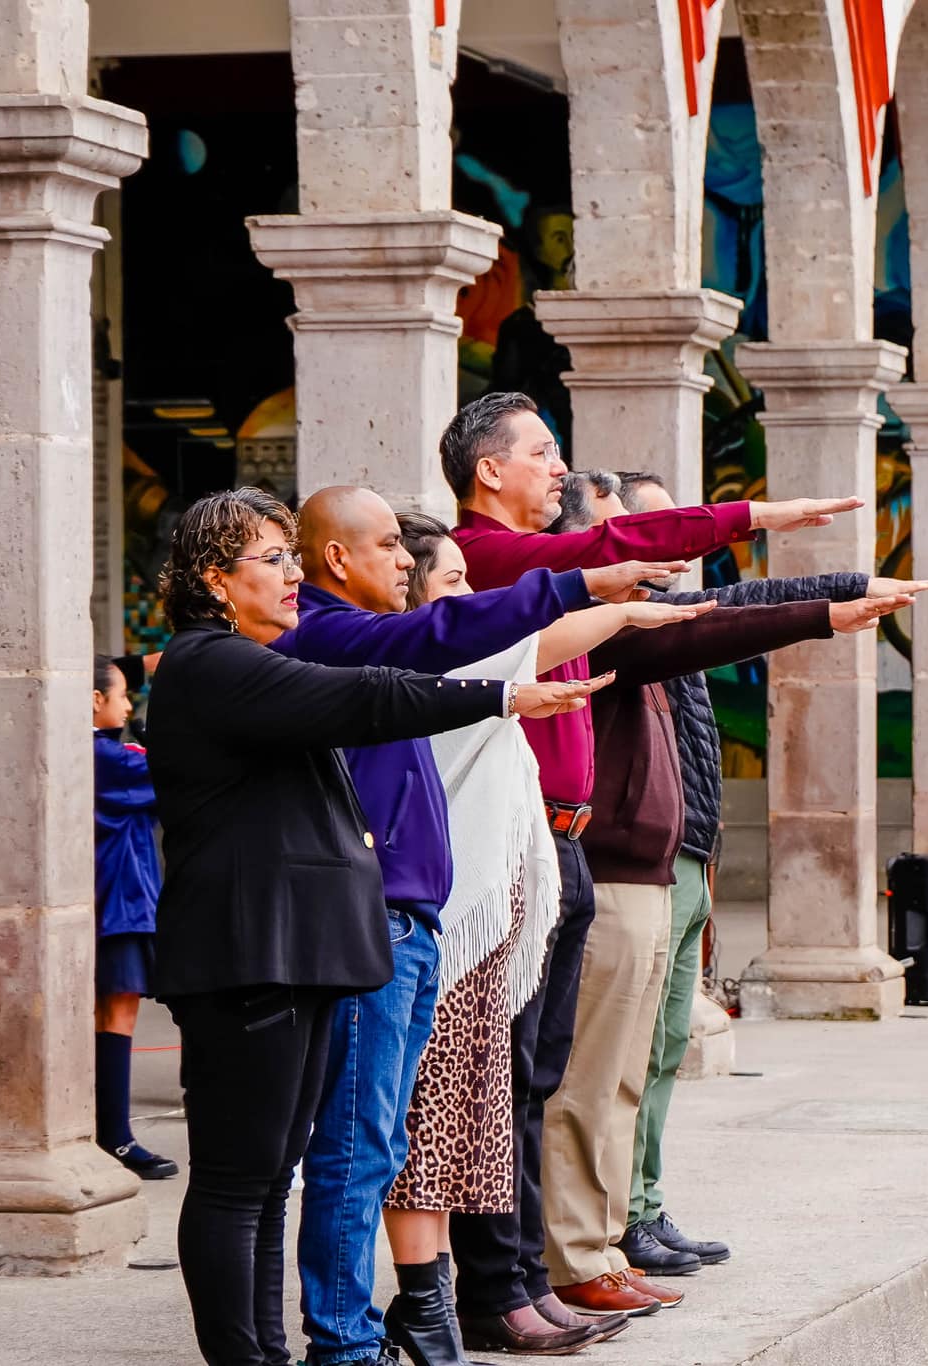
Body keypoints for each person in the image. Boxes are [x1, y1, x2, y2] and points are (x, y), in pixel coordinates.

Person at [142, 488, 603, 1366]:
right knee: (241, 1182)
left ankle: (269, 1354)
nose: (291, 577)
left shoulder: (250, 663)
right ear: (213, 579)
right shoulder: (211, 663)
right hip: (248, 955)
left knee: (276, 1177)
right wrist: (501, 695)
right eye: (271, 560)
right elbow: (375, 700)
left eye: (289, 555)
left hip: (293, 953)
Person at [440, 391, 862, 1344]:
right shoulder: (500, 560)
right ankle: (541, 1272)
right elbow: (681, 607)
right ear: (488, 471)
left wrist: (820, 601)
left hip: (589, 849)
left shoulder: (557, 571)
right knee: (539, 1082)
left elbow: (693, 611)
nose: (556, 467)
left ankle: (559, 1263)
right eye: (542, 453)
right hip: (548, 848)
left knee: (571, 1073)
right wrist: (766, 522)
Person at [269, 484, 693, 1366]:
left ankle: (441, 1306)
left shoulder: (378, 646)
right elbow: (468, 647)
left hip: (435, 920)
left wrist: (613, 615)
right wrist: (589, 586)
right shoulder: (339, 636)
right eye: (400, 553)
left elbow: (494, 657)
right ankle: (365, 1333)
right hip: (397, 922)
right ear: (341, 557)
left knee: (424, 1128)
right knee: (366, 1143)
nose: (437, 584)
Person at [538, 477, 924, 1310]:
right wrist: (830, 602)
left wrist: (843, 592)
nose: (654, 556)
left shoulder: (642, 613)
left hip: (667, 860)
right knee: (589, 1080)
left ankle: (610, 1240)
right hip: (608, 867)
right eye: (630, 538)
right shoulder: (604, 623)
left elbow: (731, 606)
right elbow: (728, 616)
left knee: (636, 1068)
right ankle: (582, 1253)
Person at [387, 514, 714, 1358]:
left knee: (522, 1088)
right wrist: (620, 601)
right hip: (459, 906)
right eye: (450, 580)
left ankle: (518, 1281)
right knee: (443, 1117)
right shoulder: (438, 650)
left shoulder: (471, 650)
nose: (469, 592)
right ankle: (467, 1295)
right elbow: (543, 621)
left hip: (530, 876)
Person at [90, 655, 177, 1181]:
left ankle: (109, 1131)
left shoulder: (108, 755)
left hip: (119, 901)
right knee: (116, 1016)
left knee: (109, 1016)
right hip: (119, 904)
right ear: (94, 700)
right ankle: (115, 1136)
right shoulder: (112, 759)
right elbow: (174, 769)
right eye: (120, 694)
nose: (127, 704)